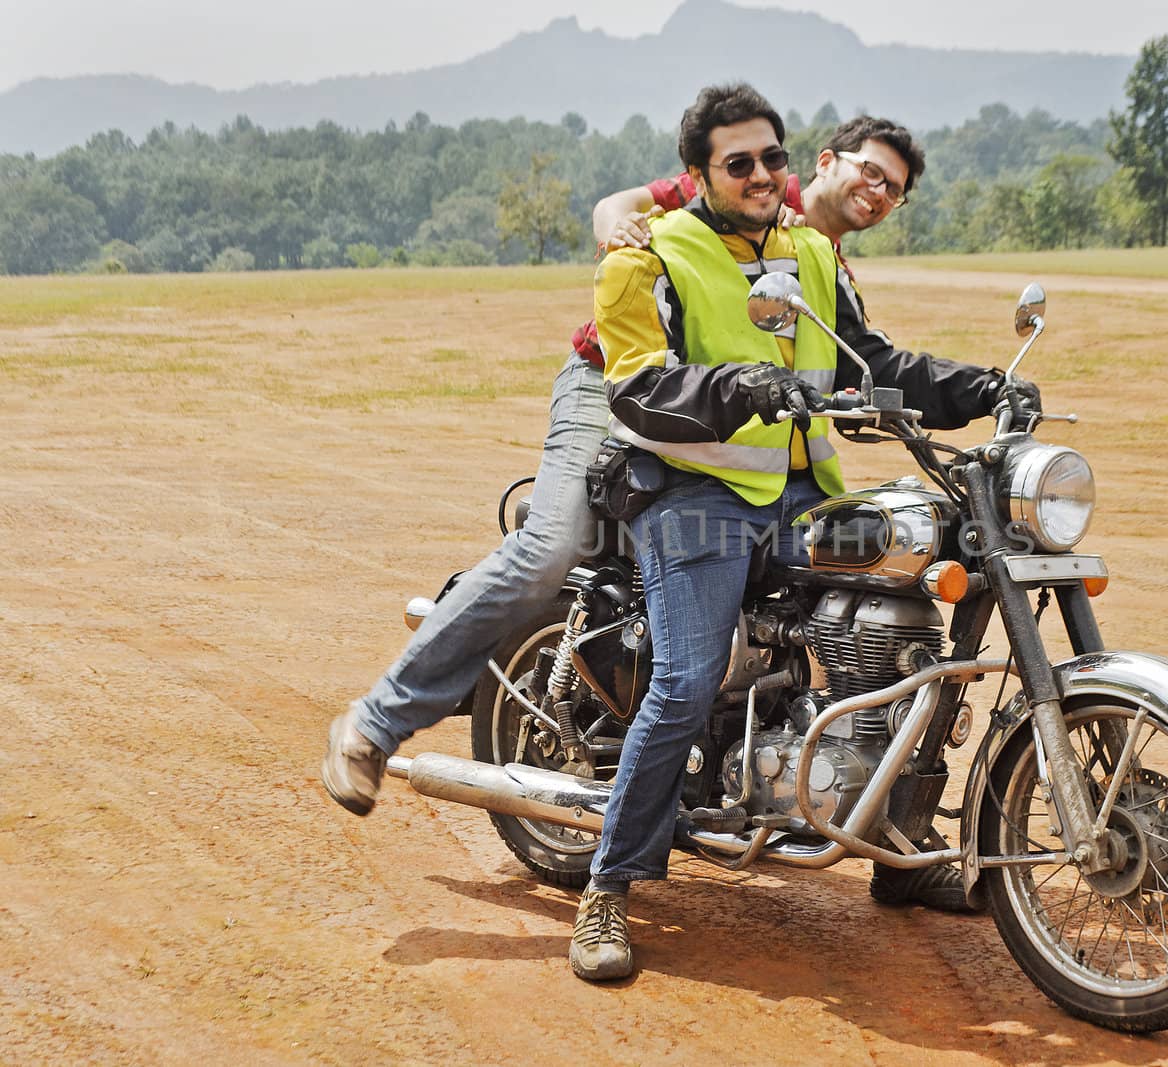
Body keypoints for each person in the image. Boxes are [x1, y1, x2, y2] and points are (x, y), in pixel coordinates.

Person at [320, 113, 967, 830]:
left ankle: (864, 800)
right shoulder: (736, 186)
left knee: (845, 566)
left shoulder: (819, 261)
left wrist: (965, 394)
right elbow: (619, 208)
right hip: (612, 383)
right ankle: (374, 723)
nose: (877, 193)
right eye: (870, 172)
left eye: (894, 190)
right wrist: (619, 227)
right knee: (550, 548)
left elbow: (859, 367)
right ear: (825, 162)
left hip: (726, 436)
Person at [571, 83, 1031, 982]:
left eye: (771, 157)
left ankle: (899, 842)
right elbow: (635, 387)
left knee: (914, 613)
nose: (759, 174)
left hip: (796, 500)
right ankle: (607, 888)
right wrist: (737, 386)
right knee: (686, 677)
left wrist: (982, 387)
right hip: (690, 497)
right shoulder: (650, 258)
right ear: (699, 173)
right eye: (737, 162)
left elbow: (876, 362)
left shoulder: (810, 252)